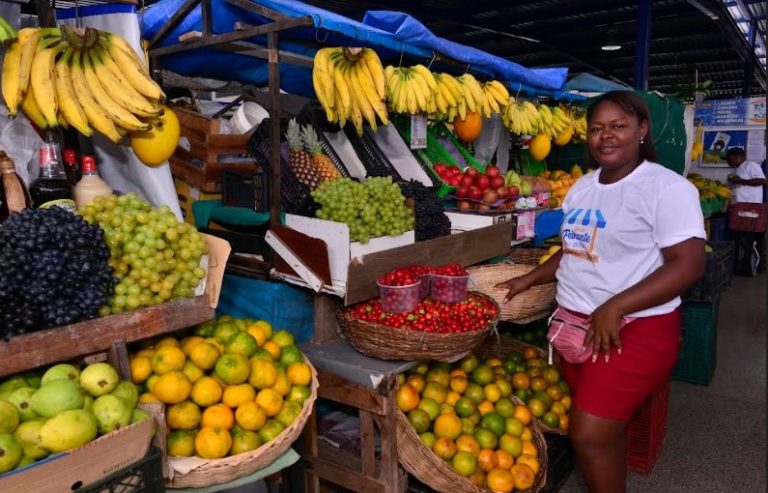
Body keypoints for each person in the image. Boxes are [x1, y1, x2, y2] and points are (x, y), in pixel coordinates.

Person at [496, 91, 706, 493]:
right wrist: (530, 278)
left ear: (642, 129)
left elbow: (689, 264)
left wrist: (617, 305)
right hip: (576, 329)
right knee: (605, 432)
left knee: (589, 435)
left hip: (634, 329)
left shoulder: (667, 188)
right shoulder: (582, 188)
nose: (605, 136)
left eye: (618, 126)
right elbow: (575, 250)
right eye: (596, 128)